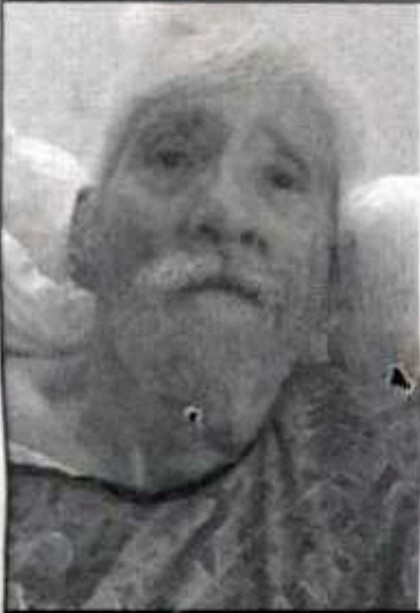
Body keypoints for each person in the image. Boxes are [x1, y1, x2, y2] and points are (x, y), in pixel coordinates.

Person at [6, 6, 419, 609]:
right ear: (86, 234)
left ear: (332, 280)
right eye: (172, 157)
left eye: (281, 179)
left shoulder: (386, 479)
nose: (225, 212)